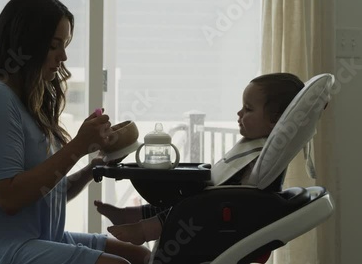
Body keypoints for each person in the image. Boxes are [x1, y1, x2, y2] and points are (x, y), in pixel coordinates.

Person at [0, 0, 150, 264]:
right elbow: (10, 198)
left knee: (142, 256)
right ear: (27, 45)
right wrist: (78, 146)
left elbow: (47, 193)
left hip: (37, 237)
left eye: (64, 45)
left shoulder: (29, 103)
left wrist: (93, 168)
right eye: (54, 46)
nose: (63, 56)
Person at [94, 73, 305, 245]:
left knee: (190, 206)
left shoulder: (260, 153)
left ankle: (143, 229)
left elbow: (235, 193)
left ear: (275, 120)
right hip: (221, 204)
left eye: (248, 109)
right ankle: (132, 215)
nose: (239, 112)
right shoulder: (255, 147)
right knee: (182, 199)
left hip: (225, 214)